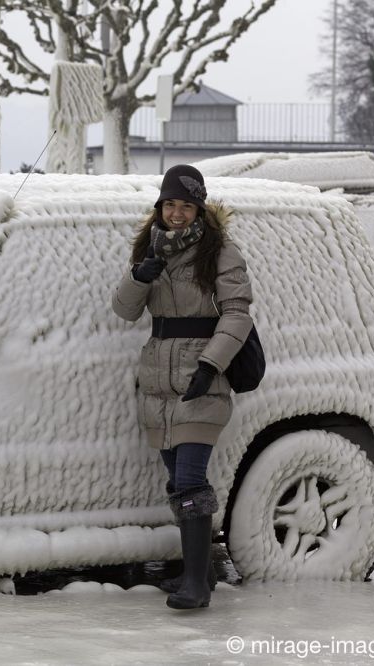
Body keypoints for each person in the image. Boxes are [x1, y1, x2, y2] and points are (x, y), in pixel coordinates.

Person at [111, 164, 253, 610]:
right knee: (177, 480)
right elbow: (124, 311)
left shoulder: (220, 251)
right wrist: (140, 276)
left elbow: (237, 313)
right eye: (169, 204)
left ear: (199, 208)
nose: (176, 213)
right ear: (160, 206)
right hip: (158, 377)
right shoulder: (149, 246)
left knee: (191, 477)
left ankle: (195, 583)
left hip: (201, 376)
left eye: (185, 205)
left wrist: (210, 365)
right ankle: (201, 571)